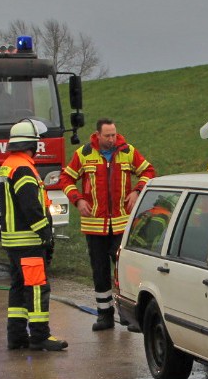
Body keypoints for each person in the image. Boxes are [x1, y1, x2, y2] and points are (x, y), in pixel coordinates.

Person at [58, 118, 156, 331]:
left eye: (114, 135)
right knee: (100, 271)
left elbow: (148, 171)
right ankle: (105, 315)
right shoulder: (84, 154)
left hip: (121, 225)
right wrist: (78, 200)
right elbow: (65, 179)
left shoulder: (128, 151)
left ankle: (129, 316)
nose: (112, 139)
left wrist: (137, 191)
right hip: (94, 226)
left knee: (125, 271)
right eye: (108, 136)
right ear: (98, 135)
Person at [0, 119, 67, 352]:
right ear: (32, 144)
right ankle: (40, 336)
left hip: (13, 241)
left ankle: (16, 336)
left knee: (19, 288)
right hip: (28, 241)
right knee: (37, 288)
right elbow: (30, 206)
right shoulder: (23, 169)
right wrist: (45, 232)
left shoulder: (8, 165)